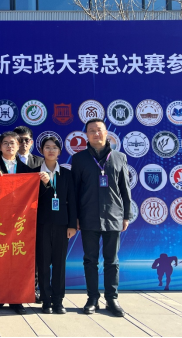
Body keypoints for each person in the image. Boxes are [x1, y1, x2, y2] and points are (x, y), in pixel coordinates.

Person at [0, 131, 47, 315]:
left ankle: (17, 299)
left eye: (13, 143)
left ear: (19, 146)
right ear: (0, 146)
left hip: (20, 223)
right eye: (6, 143)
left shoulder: (28, 169)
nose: (10, 146)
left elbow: (37, 195)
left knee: (18, 262)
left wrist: (45, 182)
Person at [71, 118, 132, 317]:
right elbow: (74, 192)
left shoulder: (119, 157)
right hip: (88, 217)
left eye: (99, 130)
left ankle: (112, 298)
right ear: (86, 135)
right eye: (91, 131)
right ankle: (92, 298)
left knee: (112, 261)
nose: (96, 134)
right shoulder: (79, 159)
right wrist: (75, 217)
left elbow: (125, 189)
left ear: (107, 133)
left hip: (113, 216)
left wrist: (126, 215)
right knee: (90, 260)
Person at [35, 136, 78, 315]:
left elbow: (72, 201)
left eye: (54, 147)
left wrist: (72, 225)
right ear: (41, 150)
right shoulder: (35, 173)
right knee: (43, 264)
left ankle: (58, 301)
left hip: (62, 225)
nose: (51, 150)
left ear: (60, 151)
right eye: (47, 147)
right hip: (41, 225)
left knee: (59, 265)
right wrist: (44, 184)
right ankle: (46, 300)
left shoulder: (66, 174)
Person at [13, 125, 44, 304]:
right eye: (19, 140)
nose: (23, 143)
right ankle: (11, 289)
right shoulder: (7, 161)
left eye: (26, 140)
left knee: (35, 254)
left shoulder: (41, 162)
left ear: (31, 142)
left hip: (35, 216)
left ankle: (33, 288)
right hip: (10, 217)